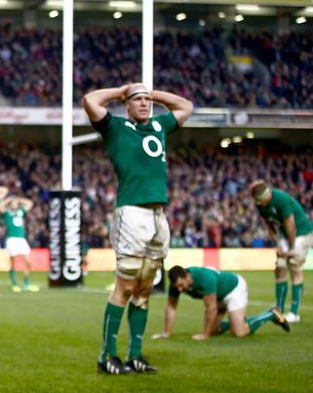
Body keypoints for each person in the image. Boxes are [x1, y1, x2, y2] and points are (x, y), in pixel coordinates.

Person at [82, 83, 193, 375]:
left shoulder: (159, 125)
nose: (144, 103)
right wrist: (121, 90)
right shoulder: (116, 128)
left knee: (145, 288)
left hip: (159, 215)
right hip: (131, 213)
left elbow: (186, 106)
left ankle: (135, 355)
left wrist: (154, 94)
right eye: (138, 100)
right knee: (126, 286)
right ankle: (106, 355)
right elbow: (90, 100)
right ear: (127, 105)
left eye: (148, 100)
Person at [154, 265, 289, 340]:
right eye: (177, 286)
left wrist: (204, 335)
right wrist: (166, 333)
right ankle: (238, 320)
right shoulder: (175, 286)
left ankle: (271, 313)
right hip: (218, 296)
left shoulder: (203, 278)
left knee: (239, 332)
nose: (180, 289)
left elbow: (211, 308)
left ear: (188, 276)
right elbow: (171, 308)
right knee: (214, 330)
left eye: (181, 285)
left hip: (233, 289)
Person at [250, 180, 311, 323]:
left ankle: (294, 313)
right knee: (280, 267)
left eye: (260, 200)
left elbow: (291, 225)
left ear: (267, 195)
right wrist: (278, 244)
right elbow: (268, 224)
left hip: (302, 233)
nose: (259, 204)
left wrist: (290, 249)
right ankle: (279, 308)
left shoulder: (281, 200)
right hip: (285, 235)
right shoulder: (261, 205)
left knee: (294, 266)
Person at [0, 196, 38, 292]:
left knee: (28, 262)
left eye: (16, 204)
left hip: (21, 239)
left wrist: (19, 199)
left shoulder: (20, 211)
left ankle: (26, 283)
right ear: (10, 205)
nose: (15, 205)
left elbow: (30, 203)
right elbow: (0, 206)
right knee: (13, 262)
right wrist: (9, 199)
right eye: (13, 203)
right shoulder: (7, 213)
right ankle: (14, 283)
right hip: (12, 239)